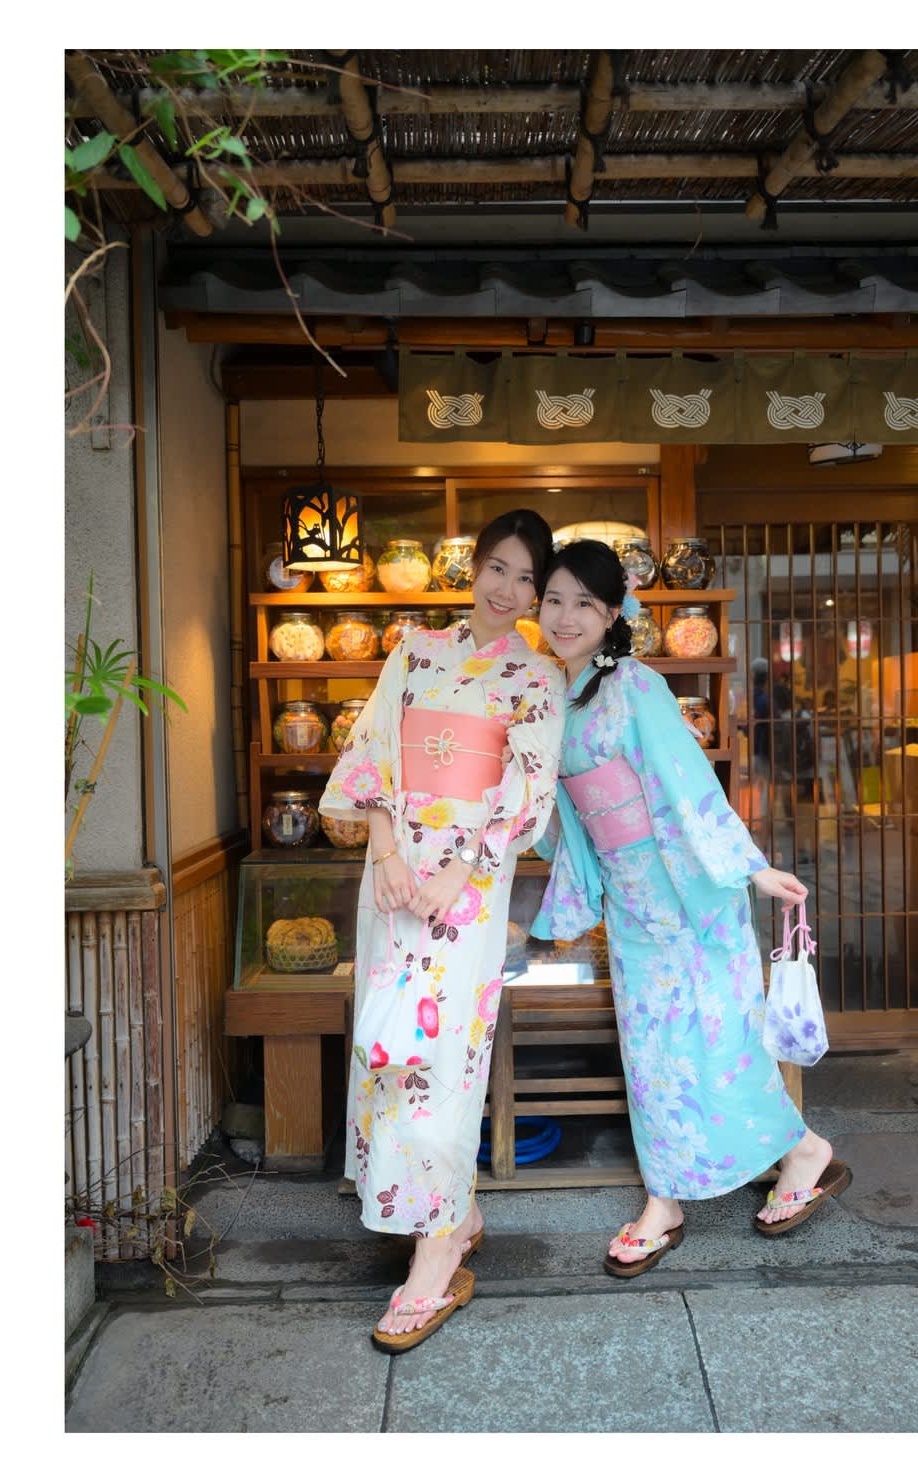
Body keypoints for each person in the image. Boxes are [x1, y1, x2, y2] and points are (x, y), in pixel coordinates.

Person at [531, 540, 850, 1276]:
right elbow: (566, 815)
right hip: (634, 904)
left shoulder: (634, 686)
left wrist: (752, 868)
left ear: (613, 613)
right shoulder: (551, 695)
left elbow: (687, 783)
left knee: (721, 1042)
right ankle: (668, 1198)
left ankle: (804, 1154)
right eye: (554, 599)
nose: (566, 615)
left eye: (585, 601)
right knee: (653, 1058)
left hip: (689, 894)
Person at [320, 510, 565, 1347]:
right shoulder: (415, 651)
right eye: (498, 568)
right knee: (390, 1047)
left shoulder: (536, 679)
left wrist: (459, 870)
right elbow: (376, 750)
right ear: (475, 569)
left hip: (472, 886)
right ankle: (448, 1216)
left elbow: (527, 792)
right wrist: (387, 853)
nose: (509, 589)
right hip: (392, 880)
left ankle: (436, 1249)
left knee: (445, 1059)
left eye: (527, 579)